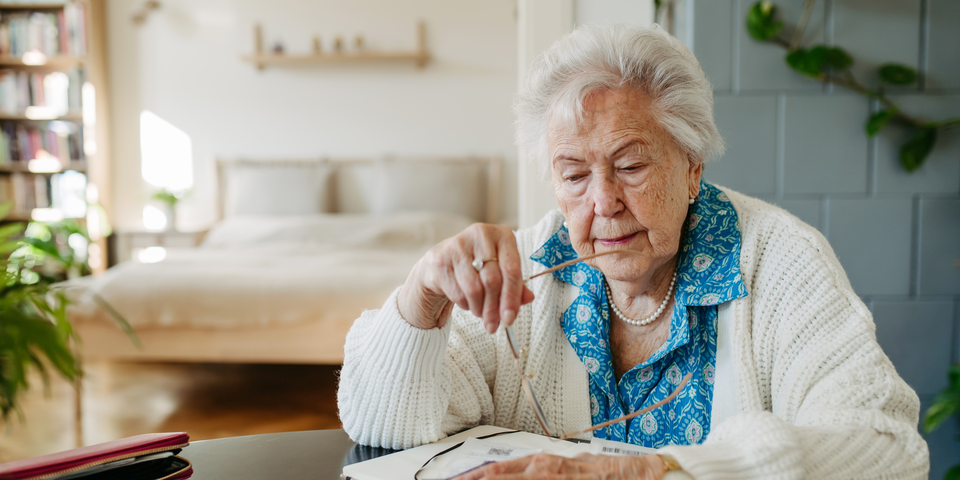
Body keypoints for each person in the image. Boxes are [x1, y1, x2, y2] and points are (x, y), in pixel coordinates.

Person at [337, 24, 928, 479]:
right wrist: (421, 298)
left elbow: (886, 449)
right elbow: (384, 425)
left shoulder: (778, 260)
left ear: (692, 167)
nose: (603, 202)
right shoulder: (528, 269)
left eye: (630, 166)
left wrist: (661, 471)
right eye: (573, 175)